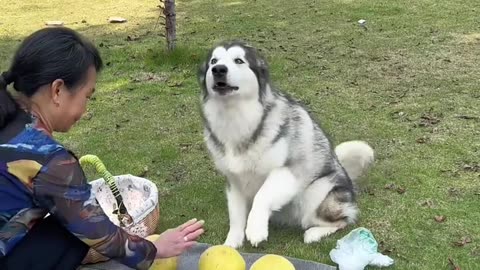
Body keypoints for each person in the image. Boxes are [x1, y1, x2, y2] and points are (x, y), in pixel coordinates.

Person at [0, 27, 204, 270]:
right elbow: (95, 230)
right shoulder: (48, 158)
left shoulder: (7, 121)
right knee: (70, 232)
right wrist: (157, 248)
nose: (85, 109)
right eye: (87, 96)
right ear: (57, 90)